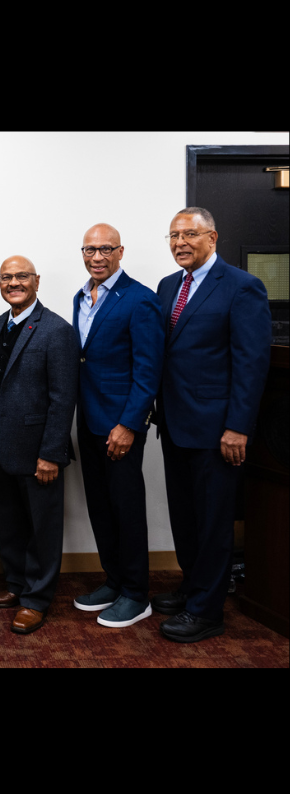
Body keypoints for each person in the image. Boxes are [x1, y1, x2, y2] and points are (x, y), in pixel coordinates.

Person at [154, 207, 271, 643]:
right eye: (173, 236)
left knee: (214, 521)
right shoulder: (168, 286)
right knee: (184, 516)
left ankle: (207, 610)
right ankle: (192, 586)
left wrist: (238, 426)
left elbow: (251, 362)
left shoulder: (242, 287)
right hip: (174, 423)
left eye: (189, 234)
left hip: (218, 429)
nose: (180, 242)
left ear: (213, 237)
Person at [0, 256, 79, 634]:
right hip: (4, 447)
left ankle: (37, 599)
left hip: (40, 451)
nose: (14, 283)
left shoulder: (57, 330)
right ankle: (17, 586)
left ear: (36, 281)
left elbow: (63, 397)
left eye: (22, 276)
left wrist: (52, 453)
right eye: (7, 277)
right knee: (12, 524)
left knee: (43, 528)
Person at [71, 224, 164, 627]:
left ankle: (136, 594)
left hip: (120, 427)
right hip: (88, 421)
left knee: (126, 509)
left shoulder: (140, 300)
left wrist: (129, 424)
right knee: (101, 508)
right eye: (90, 249)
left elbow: (148, 370)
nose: (97, 257)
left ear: (120, 252)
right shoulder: (80, 296)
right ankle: (114, 581)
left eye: (106, 249)